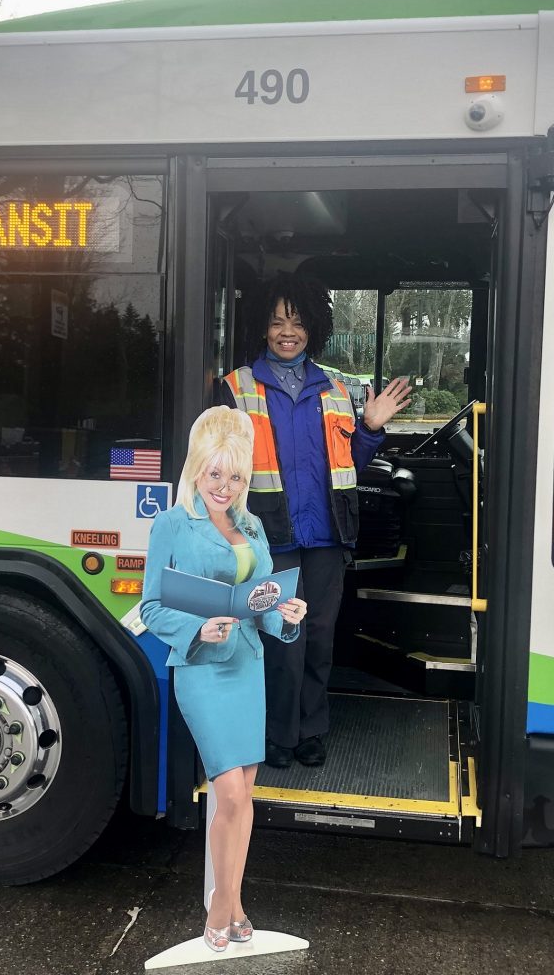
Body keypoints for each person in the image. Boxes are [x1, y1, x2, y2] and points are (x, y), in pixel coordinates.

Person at [221, 273, 411, 769]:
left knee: (320, 638)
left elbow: (350, 462)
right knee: (282, 641)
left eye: (299, 321)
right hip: (271, 538)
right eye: (278, 320)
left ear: (314, 328)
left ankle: (311, 731)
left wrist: (370, 427)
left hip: (327, 536)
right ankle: (277, 735)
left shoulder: (336, 387)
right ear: (263, 326)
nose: (289, 331)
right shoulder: (236, 388)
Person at [140, 406, 308, 953]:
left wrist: (284, 614)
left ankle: (235, 905)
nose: (224, 485)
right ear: (196, 469)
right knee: (228, 790)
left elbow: (259, 604)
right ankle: (219, 906)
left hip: (247, 665)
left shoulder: (251, 525)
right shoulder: (171, 523)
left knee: (245, 794)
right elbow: (152, 607)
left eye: (235, 476)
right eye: (215, 473)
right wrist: (198, 628)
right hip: (201, 667)